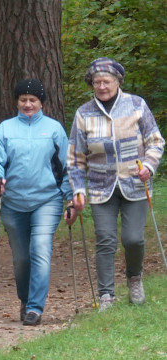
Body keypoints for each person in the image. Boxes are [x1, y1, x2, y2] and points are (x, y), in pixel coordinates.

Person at [65, 57, 164, 311]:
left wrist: (149, 167)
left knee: (133, 239)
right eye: (96, 82)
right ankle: (106, 295)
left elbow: (155, 141)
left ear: (117, 81)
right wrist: (78, 189)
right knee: (105, 239)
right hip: (100, 187)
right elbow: (75, 158)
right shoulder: (84, 113)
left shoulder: (136, 105)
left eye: (106, 81)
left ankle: (134, 278)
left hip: (135, 184)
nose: (101, 86)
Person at [0, 79, 73, 326]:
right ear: (16, 101)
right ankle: (24, 299)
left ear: (41, 102)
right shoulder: (5, 129)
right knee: (22, 258)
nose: (27, 104)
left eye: (32, 100)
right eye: (23, 99)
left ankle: (35, 307)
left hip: (47, 200)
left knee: (41, 251)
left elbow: (67, 167)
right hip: (13, 202)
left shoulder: (54, 129)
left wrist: (70, 199)